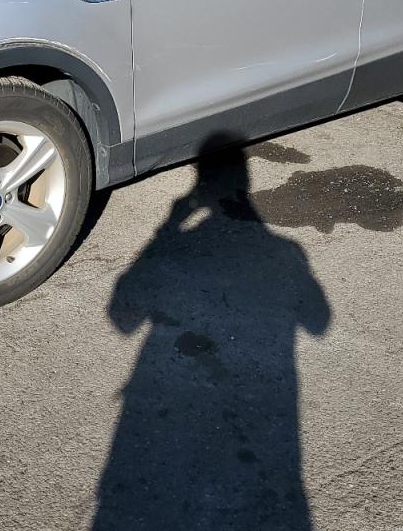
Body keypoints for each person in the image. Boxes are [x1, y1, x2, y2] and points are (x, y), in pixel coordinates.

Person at [93, 137, 331, 530]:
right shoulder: (288, 253)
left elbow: (122, 317)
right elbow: (319, 322)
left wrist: (167, 229)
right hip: (264, 424)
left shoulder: (183, 245)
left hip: (159, 428)